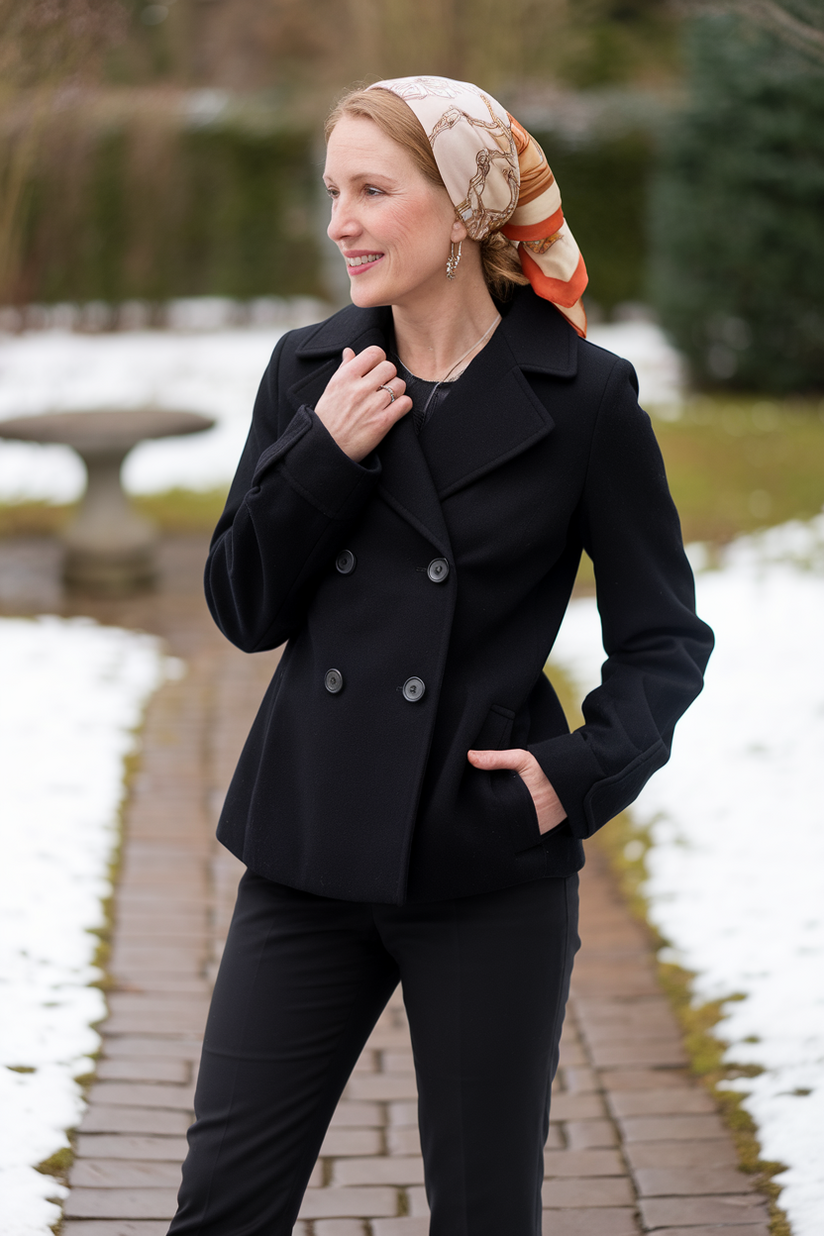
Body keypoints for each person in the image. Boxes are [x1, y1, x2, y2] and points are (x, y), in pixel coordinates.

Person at [166, 75, 713, 1236]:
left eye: (373, 190)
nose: (340, 223)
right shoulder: (312, 373)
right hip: (306, 853)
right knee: (222, 1207)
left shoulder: (584, 400)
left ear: (464, 209)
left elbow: (663, 637)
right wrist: (323, 456)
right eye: (333, 192)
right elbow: (242, 606)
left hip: (483, 864)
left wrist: (575, 775)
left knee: (481, 1212)